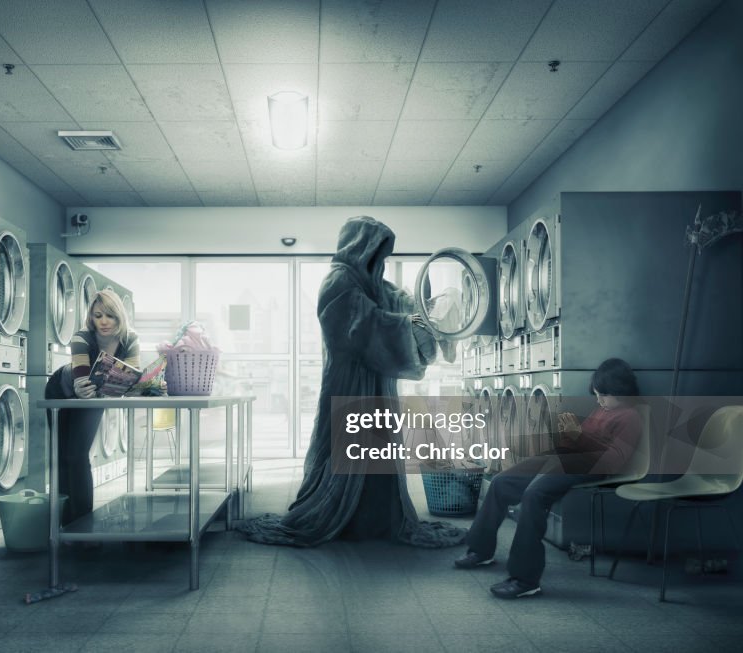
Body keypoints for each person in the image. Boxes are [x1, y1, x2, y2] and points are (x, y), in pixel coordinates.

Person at [240, 215, 465, 547]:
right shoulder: (339, 281)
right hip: (350, 383)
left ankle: (374, 519)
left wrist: (431, 307)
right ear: (359, 248)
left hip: (376, 384)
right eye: (376, 252)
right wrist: (408, 323)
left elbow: (399, 302)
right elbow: (360, 326)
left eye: (383, 255)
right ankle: (346, 518)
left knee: (378, 450)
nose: (380, 261)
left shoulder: (371, 283)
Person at [454, 357, 642, 599]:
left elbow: (614, 461)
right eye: (597, 395)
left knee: (534, 495)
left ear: (620, 390)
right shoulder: (604, 408)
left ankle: (525, 579)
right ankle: (480, 551)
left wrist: (579, 439)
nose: (599, 401)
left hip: (587, 467)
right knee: (502, 481)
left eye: (603, 395)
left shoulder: (630, 417)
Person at [45, 288, 140, 526]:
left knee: (76, 456)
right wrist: (82, 387)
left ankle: (82, 524)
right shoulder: (82, 337)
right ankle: (64, 524)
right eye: (98, 316)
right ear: (91, 316)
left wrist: (132, 386)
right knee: (62, 457)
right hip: (61, 390)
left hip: (95, 395)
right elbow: (80, 378)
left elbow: (131, 375)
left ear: (119, 317)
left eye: (110, 316)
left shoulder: (130, 339)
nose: (104, 322)